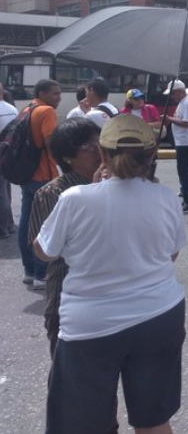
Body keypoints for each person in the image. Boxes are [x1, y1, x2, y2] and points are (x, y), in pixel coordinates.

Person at [34, 114, 186, 434]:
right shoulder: (167, 197)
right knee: (154, 419)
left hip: (91, 325)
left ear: (103, 155)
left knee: (84, 422)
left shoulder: (74, 198)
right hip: (160, 315)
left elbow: (44, 251)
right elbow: (170, 254)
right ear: (151, 155)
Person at [27, 118, 102, 357]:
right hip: (67, 301)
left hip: (111, 300)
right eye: (91, 146)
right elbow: (46, 251)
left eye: (101, 142)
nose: (100, 150)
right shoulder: (53, 193)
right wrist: (93, 195)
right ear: (69, 156)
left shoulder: (114, 186)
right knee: (69, 384)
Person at [19, 79, 61, 290]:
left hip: (27, 174)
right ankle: (40, 273)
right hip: (44, 175)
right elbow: (50, 143)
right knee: (44, 225)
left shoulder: (28, 108)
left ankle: (28, 270)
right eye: (55, 94)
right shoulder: (47, 111)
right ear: (43, 93)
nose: (59, 98)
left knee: (27, 223)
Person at [164, 79, 188, 213]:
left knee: (184, 174)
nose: (172, 97)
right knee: (183, 173)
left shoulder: (187, 103)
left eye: (172, 94)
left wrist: (169, 119)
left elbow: (187, 123)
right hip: (183, 142)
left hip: (186, 143)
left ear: (179, 92)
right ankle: (187, 200)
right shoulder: (184, 103)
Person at [0, 83, 18, 239]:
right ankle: (9, 223)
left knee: (1, 192)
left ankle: (2, 227)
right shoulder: (12, 109)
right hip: (10, 154)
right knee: (5, 190)